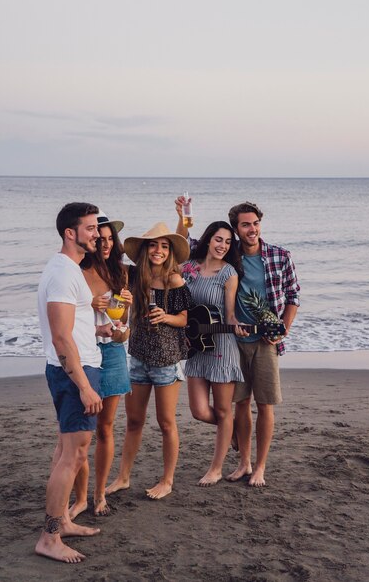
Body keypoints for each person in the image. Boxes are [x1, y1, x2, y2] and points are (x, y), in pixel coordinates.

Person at [176, 198, 300, 488]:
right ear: (236, 229)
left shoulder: (279, 256)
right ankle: (243, 461)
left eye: (255, 223)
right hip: (232, 340)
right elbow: (186, 244)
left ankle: (259, 467)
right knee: (240, 405)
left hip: (266, 340)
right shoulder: (230, 258)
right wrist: (184, 214)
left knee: (265, 405)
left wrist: (284, 328)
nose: (252, 229)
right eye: (246, 225)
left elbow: (293, 295)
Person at [36, 202, 113, 564]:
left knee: (65, 450)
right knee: (75, 455)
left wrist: (97, 329)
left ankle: (62, 520)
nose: (97, 233)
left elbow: (72, 327)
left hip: (74, 366)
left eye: (96, 228)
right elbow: (61, 337)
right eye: (90, 228)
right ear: (71, 233)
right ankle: (50, 537)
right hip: (75, 372)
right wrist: (84, 385)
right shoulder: (65, 273)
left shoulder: (65, 268)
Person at [106, 223, 192, 499]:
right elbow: (116, 316)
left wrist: (165, 317)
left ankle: (167, 480)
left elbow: (184, 320)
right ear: (144, 249)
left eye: (165, 246)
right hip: (139, 357)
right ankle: (123, 477)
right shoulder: (131, 277)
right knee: (133, 421)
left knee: (166, 422)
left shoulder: (175, 281)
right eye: (153, 245)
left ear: (170, 253)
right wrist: (121, 303)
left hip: (166, 360)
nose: (159, 250)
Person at [69, 211, 133, 519]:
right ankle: (80, 497)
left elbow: (123, 331)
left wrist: (121, 328)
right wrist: (89, 307)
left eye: (110, 239)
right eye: (100, 238)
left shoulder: (120, 273)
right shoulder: (76, 273)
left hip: (113, 355)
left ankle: (98, 495)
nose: (105, 244)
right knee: (84, 431)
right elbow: (67, 323)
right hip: (83, 353)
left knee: (106, 428)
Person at [181, 221, 245, 486]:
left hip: (222, 346)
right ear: (208, 240)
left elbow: (229, 313)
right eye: (219, 240)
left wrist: (236, 324)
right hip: (197, 346)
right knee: (198, 411)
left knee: (222, 409)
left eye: (228, 242)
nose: (223, 246)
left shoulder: (228, 273)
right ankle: (230, 430)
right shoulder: (189, 268)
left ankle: (216, 468)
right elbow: (177, 244)